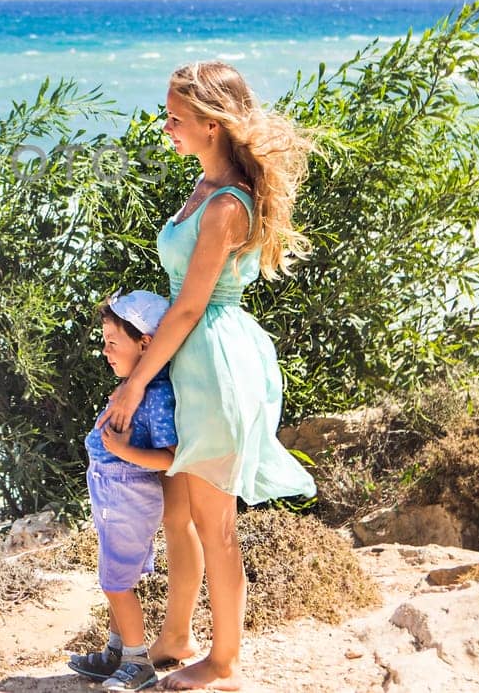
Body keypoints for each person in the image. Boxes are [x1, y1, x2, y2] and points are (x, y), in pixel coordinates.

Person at [102, 61, 317, 691]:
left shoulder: (226, 204)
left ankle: (223, 663)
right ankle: (175, 637)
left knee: (214, 523)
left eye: (175, 117)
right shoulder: (204, 187)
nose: (165, 126)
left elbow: (192, 303)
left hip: (212, 362)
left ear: (213, 124)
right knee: (179, 513)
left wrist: (137, 379)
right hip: (189, 358)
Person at [67, 291, 179, 691]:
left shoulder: (156, 395)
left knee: (115, 584)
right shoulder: (134, 387)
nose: (105, 351)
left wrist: (123, 450)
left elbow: (170, 457)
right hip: (113, 495)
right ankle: (116, 651)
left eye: (113, 342)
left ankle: (137, 660)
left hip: (130, 496)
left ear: (145, 343)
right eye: (104, 341)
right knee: (118, 579)